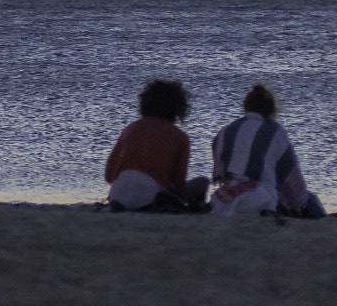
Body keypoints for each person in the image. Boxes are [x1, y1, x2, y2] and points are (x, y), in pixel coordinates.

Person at [210, 83, 325, 218]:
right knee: (310, 199)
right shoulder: (275, 131)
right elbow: (292, 178)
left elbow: (221, 174)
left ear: (245, 107)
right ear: (271, 109)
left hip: (225, 199)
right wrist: (299, 205)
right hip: (260, 199)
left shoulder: (225, 131)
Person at [104, 78, 210, 212]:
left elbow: (109, 176)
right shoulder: (180, 137)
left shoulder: (130, 129)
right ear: (178, 107)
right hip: (151, 201)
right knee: (202, 182)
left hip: (117, 197)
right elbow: (178, 184)